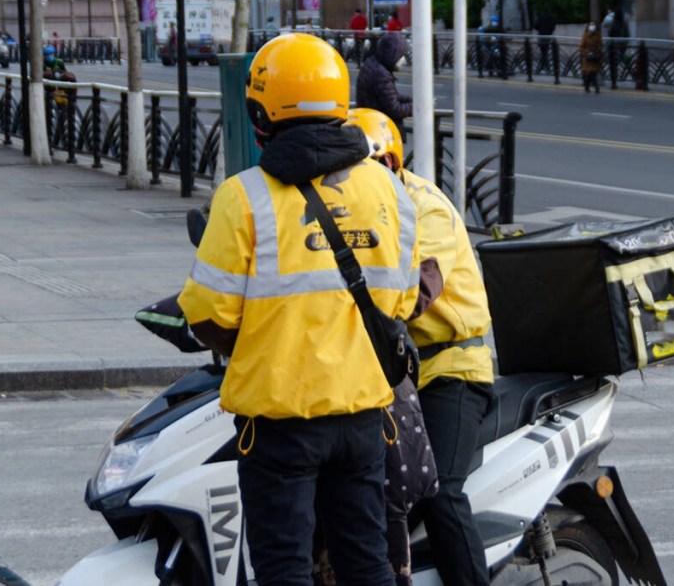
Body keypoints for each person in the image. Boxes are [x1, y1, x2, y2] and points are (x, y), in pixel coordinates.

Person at [177, 32, 422, 586]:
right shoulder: (389, 190)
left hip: (280, 428)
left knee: (284, 570)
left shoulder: (244, 198)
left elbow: (208, 317)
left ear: (260, 115)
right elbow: (401, 303)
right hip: (362, 421)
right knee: (366, 565)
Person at [347, 108, 494, 586]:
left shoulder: (424, 207)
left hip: (451, 368)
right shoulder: (349, 207)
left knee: (439, 489)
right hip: (392, 374)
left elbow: (414, 291)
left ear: (391, 164)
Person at [356, 32, 412, 137]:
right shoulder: (381, 74)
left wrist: (410, 100)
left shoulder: (373, 65)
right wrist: (416, 107)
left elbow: (389, 96)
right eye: (402, 55)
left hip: (372, 127)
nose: (404, 61)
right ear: (393, 53)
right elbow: (394, 109)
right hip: (382, 132)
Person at [580, 21, 603, 94]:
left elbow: (601, 45)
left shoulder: (598, 35)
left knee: (593, 72)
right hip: (587, 57)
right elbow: (581, 46)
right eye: (591, 25)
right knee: (588, 73)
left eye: (593, 25)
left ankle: (593, 87)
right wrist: (585, 53)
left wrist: (599, 51)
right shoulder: (585, 35)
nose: (592, 26)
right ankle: (590, 86)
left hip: (595, 56)